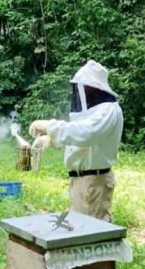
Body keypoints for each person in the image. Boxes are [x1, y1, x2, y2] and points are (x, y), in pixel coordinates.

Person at [29, 60, 124, 222]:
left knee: (91, 234)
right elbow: (79, 137)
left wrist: (49, 126)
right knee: (80, 231)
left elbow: (86, 133)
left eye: (84, 86)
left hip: (94, 182)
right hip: (81, 181)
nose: (82, 91)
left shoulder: (109, 110)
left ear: (94, 87)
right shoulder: (93, 112)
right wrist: (51, 139)